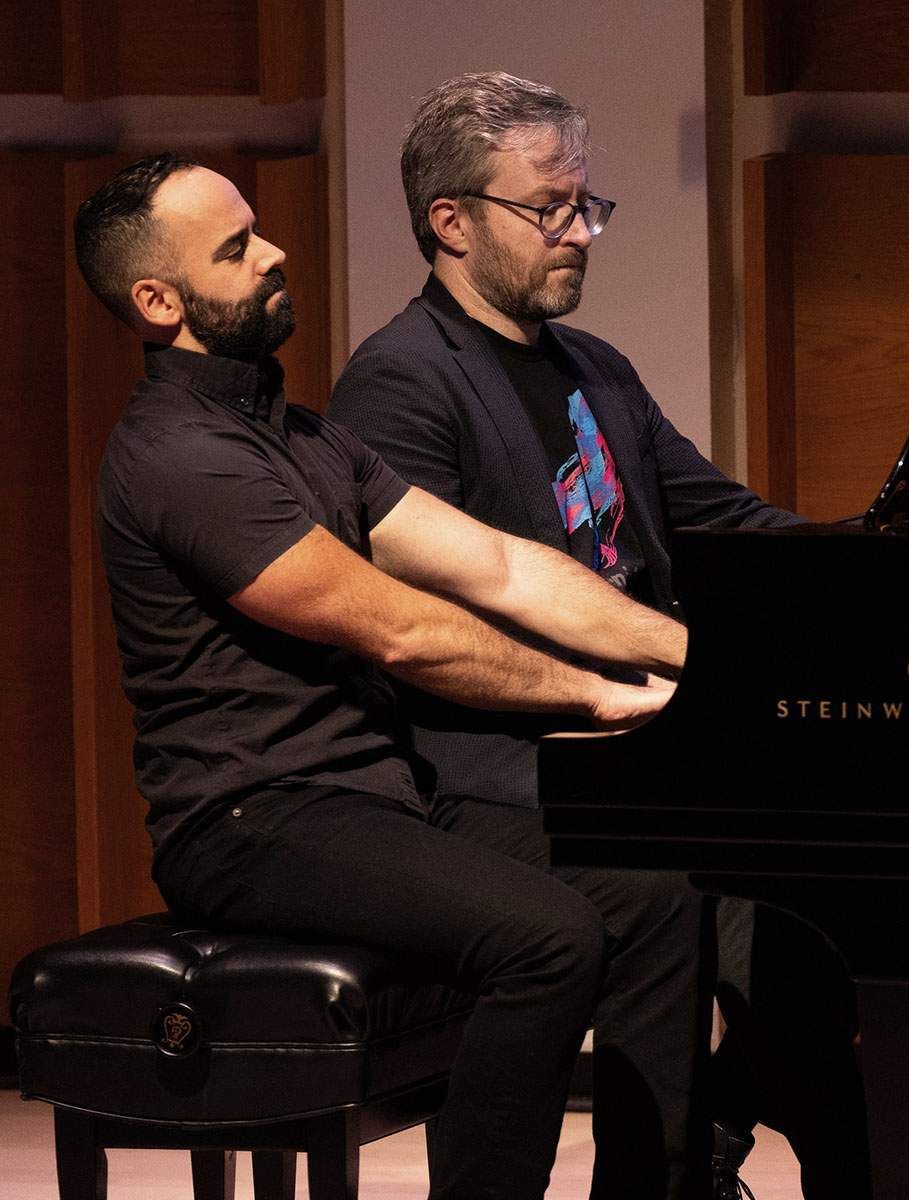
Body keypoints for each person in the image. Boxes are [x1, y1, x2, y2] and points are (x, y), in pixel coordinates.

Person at [75, 151, 713, 1200]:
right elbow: (404, 632)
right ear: (158, 300)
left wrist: (693, 660)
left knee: (655, 887)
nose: (276, 253)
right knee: (549, 940)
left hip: (377, 798)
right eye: (236, 249)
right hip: (253, 820)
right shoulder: (178, 456)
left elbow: (502, 567)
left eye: (257, 229)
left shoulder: (304, 440)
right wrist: (599, 693)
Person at [327, 72, 871, 1200]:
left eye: (588, 208)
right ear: (453, 223)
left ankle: (749, 1157)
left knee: (812, 916)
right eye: (551, 211)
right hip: (490, 772)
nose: (580, 234)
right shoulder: (401, 383)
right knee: (670, 890)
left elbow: (735, 530)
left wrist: (887, 555)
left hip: (637, 746)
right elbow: (432, 625)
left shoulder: (595, 371)